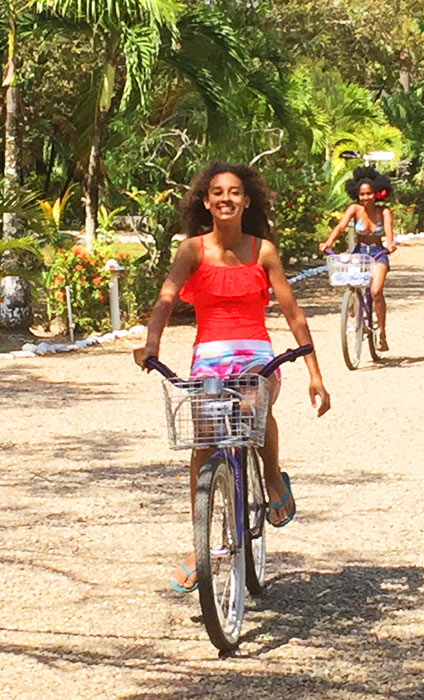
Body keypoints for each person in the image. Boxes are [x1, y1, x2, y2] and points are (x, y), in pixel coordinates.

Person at [134, 161, 331, 594]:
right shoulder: (192, 250)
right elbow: (166, 300)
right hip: (208, 358)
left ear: (246, 200)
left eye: (235, 192)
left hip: (256, 354)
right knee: (202, 439)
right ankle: (200, 542)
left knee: (251, 410)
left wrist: (315, 375)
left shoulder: (263, 251)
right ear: (206, 201)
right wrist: (151, 346)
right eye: (217, 192)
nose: (226, 198)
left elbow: (294, 313)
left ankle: (273, 476)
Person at [319, 165, 396, 351]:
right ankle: (353, 306)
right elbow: (341, 227)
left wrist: (391, 245)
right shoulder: (354, 209)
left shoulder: (384, 212)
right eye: (362, 194)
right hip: (360, 252)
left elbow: (389, 234)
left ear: (376, 193)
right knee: (351, 282)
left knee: (376, 291)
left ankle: (382, 333)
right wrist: (328, 242)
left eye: (369, 193)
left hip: (378, 254)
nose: (365, 198)